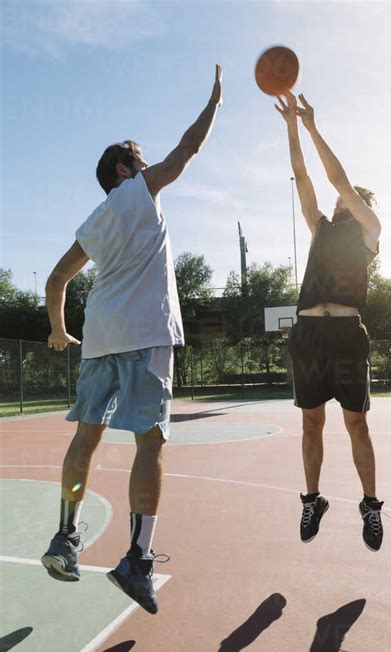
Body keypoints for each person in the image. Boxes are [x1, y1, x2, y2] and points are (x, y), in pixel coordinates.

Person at [41, 66, 223, 613]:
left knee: (85, 440)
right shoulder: (138, 192)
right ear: (125, 169)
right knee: (150, 442)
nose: (148, 167)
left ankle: (65, 539)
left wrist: (58, 330)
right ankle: (137, 561)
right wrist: (215, 102)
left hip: (98, 338)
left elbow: (56, 281)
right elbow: (186, 151)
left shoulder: (95, 220)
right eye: (139, 161)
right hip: (145, 335)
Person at [275, 91, 384, 551]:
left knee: (356, 424)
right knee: (310, 423)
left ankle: (371, 506)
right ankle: (313, 499)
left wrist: (315, 126)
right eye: (341, 199)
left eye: (349, 198)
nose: (341, 201)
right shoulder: (320, 227)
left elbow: (337, 180)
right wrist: (292, 128)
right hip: (309, 334)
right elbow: (302, 177)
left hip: (344, 334)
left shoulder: (369, 231)